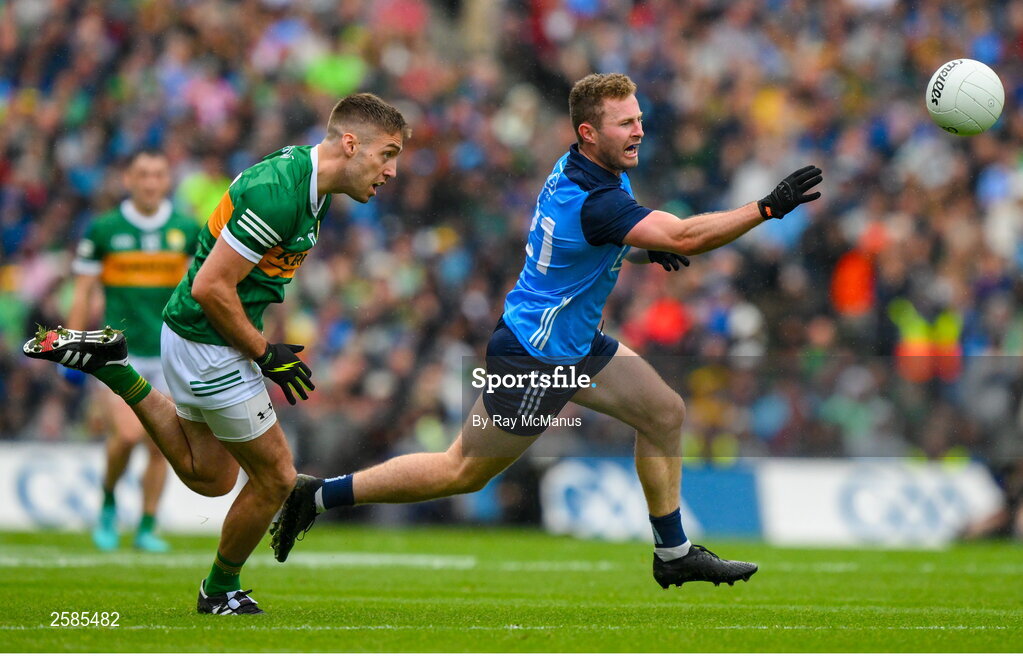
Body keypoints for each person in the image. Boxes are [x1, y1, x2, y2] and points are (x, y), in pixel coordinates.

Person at [270, 73, 822, 589]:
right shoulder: (598, 198)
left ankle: (673, 555)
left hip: (575, 344)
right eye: (625, 123)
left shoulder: (585, 169)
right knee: (461, 470)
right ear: (589, 132)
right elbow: (683, 236)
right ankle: (316, 495)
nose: (639, 130)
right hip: (536, 359)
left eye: (639, 118)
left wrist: (638, 249)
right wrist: (766, 207)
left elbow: (591, 245)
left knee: (664, 412)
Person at [24, 93, 411, 614]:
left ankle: (115, 368)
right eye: (387, 154)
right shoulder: (279, 192)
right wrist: (264, 352)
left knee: (212, 477)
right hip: (210, 341)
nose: (392, 170)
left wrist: (257, 342)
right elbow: (211, 286)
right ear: (349, 143)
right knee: (275, 477)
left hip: (202, 336)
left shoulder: (307, 184)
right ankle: (219, 590)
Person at [65, 149, 199, 553]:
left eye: (158, 174)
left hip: (169, 355)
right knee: (125, 436)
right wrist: (70, 342)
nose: (150, 182)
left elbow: (196, 293)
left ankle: (146, 524)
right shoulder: (104, 229)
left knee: (164, 444)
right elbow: (84, 290)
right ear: (128, 179)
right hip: (116, 352)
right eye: (142, 174)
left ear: (167, 180)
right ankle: (107, 503)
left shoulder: (186, 230)